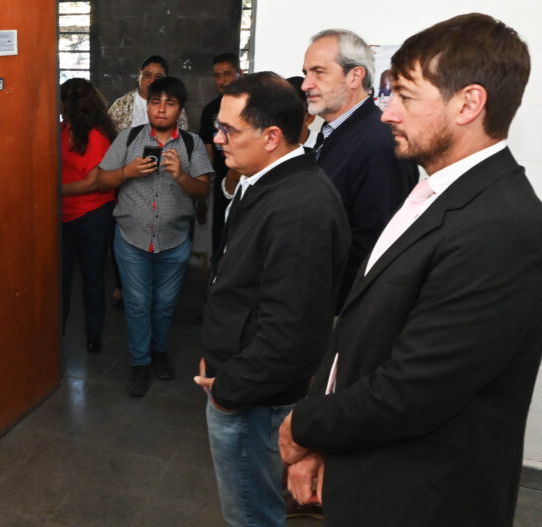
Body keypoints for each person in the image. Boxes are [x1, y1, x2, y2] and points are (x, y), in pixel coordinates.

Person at [279, 14, 542, 527]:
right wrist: (325, 440)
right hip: (369, 474)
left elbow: (412, 391)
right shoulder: (436, 191)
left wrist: (305, 425)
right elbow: (362, 329)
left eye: (405, 97)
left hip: (421, 501)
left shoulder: (506, 229)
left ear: (468, 104)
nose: (387, 113)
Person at [192, 72, 350, 527]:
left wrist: (227, 392)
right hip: (241, 383)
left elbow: (292, 332)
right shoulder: (262, 181)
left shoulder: (302, 207)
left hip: (254, 401)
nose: (217, 139)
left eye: (229, 130)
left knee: (251, 516)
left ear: (272, 137)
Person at [96, 76, 212, 397]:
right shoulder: (129, 138)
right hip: (131, 239)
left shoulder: (192, 144)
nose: (161, 109)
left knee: (165, 304)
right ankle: (140, 363)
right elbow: (102, 180)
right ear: (147, 106)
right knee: (137, 304)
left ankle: (159, 351)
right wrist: (127, 172)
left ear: (180, 109)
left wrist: (181, 175)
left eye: (169, 103)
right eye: (155, 102)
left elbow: (202, 191)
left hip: (174, 241)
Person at [301, 29, 418, 311]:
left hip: (344, 308)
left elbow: (374, 244)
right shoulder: (335, 132)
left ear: (354, 77)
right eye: (306, 73)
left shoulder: (379, 141)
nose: (306, 84)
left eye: (318, 72)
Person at [59, 78, 118, 353]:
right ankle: (56, 333)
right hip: (64, 215)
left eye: (62, 100)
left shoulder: (96, 135)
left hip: (93, 214)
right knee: (60, 278)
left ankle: (94, 334)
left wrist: (55, 191)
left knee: (92, 276)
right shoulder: (62, 129)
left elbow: (93, 182)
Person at [197, 53, 242, 256]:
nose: (222, 81)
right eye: (217, 76)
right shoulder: (210, 111)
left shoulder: (252, 106)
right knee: (221, 237)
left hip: (249, 179)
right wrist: (204, 198)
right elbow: (207, 158)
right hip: (222, 183)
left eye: (227, 74)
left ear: (239, 74)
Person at [108, 55, 190, 133]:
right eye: (147, 75)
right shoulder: (121, 106)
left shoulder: (174, 106)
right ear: (139, 76)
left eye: (158, 77)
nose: (152, 81)